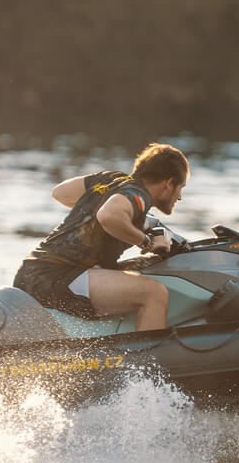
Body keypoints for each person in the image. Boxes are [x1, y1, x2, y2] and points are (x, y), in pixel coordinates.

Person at [13, 142, 189, 331]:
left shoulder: (110, 180)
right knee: (154, 293)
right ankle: (146, 360)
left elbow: (61, 193)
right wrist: (147, 242)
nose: (179, 197)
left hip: (30, 272)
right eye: (181, 187)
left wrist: (101, 210)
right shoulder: (138, 195)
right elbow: (108, 215)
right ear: (169, 183)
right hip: (54, 278)